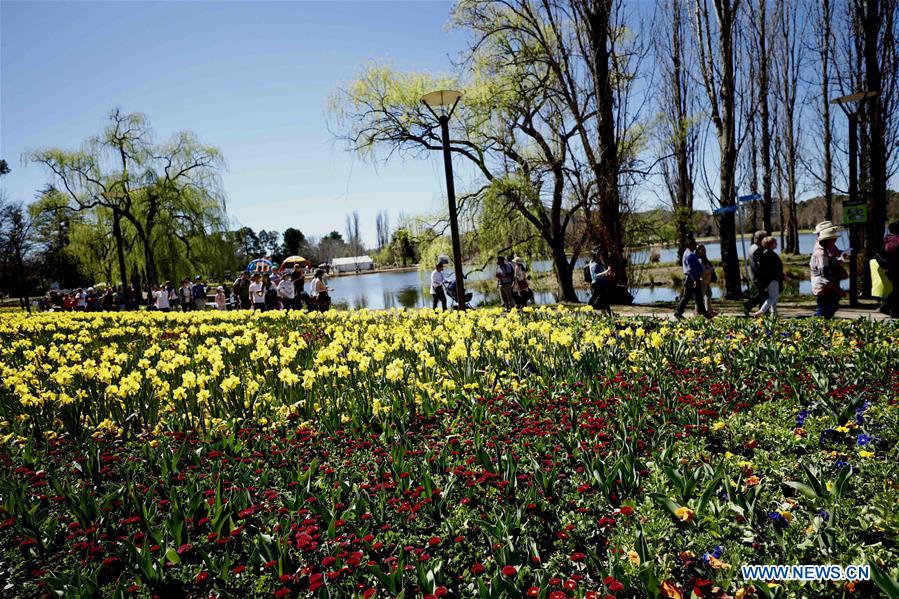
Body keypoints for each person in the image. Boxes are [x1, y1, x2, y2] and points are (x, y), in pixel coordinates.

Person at [810, 225, 846, 319]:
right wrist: (837, 288)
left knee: (830, 306)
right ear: (826, 240)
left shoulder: (825, 251)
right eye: (833, 239)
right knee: (823, 308)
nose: (835, 241)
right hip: (823, 285)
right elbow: (824, 274)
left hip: (826, 284)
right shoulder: (821, 253)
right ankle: (819, 326)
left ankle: (823, 324)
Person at [674, 238, 711, 319]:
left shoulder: (687, 253)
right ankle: (678, 312)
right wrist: (695, 280)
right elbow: (691, 269)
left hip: (693, 279)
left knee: (698, 297)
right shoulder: (690, 255)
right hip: (692, 279)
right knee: (687, 297)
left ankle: (704, 313)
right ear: (689, 245)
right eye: (694, 244)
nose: (695, 245)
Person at [752, 236, 783, 318]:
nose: (777, 244)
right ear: (771, 244)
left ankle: (774, 316)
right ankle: (761, 311)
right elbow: (776, 268)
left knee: (773, 299)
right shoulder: (771, 255)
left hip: (765, 281)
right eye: (775, 243)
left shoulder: (762, 254)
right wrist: (783, 276)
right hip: (772, 279)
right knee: (773, 297)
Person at [743, 230, 768, 315]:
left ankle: (762, 310)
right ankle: (748, 305)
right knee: (764, 293)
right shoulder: (758, 249)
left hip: (754, 275)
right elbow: (760, 263)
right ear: (761, 239)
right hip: (758, 275)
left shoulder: (752, 247)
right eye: (765, 237)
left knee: (763, 293)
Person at [879, 221, 899, 317]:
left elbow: (882, 252)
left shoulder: (887, 239)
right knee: (896, 290)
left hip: (888, 267)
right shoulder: (897, 239)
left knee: (896, 289)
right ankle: (886, 307)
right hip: (895, 267)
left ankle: (894, 311)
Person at [587, 245, 613, 315]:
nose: (602, 256)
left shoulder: (600, 264)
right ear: (597, 256)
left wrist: (608, 273)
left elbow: (602, 274)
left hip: (602, 284)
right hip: (597, 285)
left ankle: (609, 313)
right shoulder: (594, 264)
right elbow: (596, 275)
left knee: (604, 300)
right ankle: (589, 309)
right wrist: (606, 271)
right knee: (597, 300)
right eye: (601, 255)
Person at [696, 244, 718, 316]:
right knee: (700, 297)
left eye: (704, 249)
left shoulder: (705, 260)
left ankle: (709, 309)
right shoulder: (699, 260)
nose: (704, 251)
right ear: (698, 251)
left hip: (707, 281)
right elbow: (703, 272)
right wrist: (711, 269)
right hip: (702, 282)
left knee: (709, 295)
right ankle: (697, 311)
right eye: (702, 250)